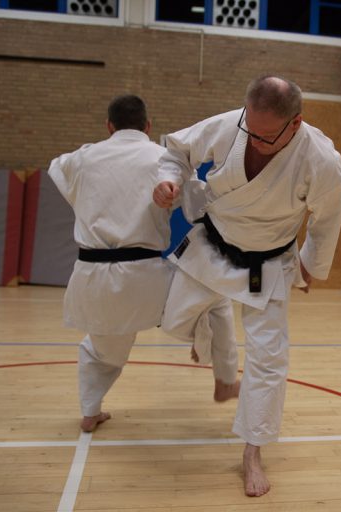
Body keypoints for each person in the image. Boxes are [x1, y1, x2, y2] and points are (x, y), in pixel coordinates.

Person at [153, 75, 341, 496]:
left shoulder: (322, 161)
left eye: (266, 136)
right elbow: (179, 150)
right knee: (172, 321)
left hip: (269, 262)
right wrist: (170, 180)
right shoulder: (231, 124)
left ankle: (252, 451)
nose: (254, 141)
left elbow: (328, 216)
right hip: (215, 245)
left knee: (269, 360)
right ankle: (210, 321)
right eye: (249, 131)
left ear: (294, 124)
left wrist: (312, 263)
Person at [48, 94, 240, 433]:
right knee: (216, 297)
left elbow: (57, 168)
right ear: (148, 125)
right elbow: (195, 200)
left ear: (109, 126)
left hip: (92, 279)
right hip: (149, 282)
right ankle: (211, 354)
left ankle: (90, 411)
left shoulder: (82, 158)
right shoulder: (162, 159)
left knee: (102, 351)